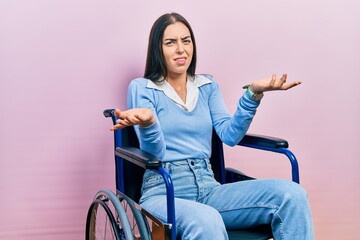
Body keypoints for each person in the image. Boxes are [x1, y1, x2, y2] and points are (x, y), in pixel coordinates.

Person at [111, 12, 314, 240]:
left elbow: (230, 135)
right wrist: (149, 122)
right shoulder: (142, 87)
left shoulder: (207, 86)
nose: (181, 49)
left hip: (209, 186)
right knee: (207, 219)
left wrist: (253, 94)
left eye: (186, 41)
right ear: (158, 49)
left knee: (292, 195)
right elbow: (155, 153)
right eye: (170, 43)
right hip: (163, 190)